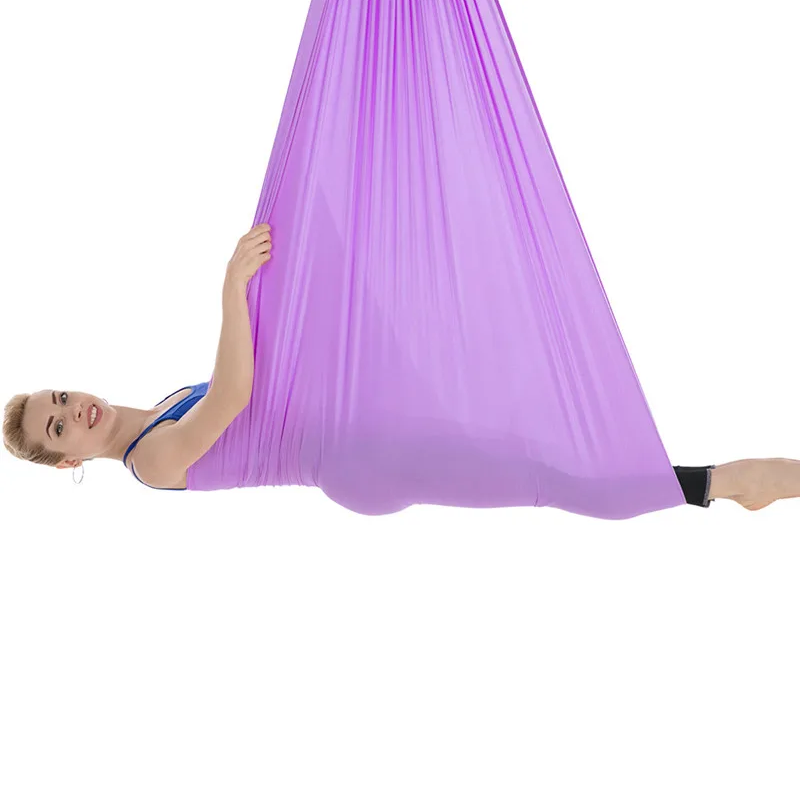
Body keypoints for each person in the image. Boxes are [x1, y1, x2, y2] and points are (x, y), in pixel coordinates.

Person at [2, 224, 793, 512]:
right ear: (69, 459)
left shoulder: (167, 399)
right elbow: (237, 393)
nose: (74, 409)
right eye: (59, 426)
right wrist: (230, 289)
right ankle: (708, 485)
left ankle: (716, 485)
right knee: (553, 477)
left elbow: (260, 379)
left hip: (362, 419)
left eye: (60, 397)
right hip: (365, 457)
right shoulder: (152, 463)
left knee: (539, 450)